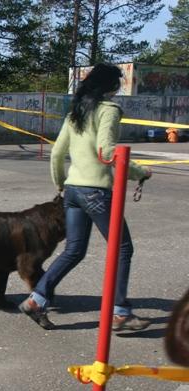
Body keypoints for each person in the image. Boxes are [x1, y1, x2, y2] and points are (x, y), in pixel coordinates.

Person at [18, 62, 152, 331]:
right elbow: (107, 151)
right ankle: (120, 312)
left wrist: (60, 185)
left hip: (73, 190)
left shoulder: (76, 112)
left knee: (74, 250)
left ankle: (36, 299)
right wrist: (138, 171)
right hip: (96, 191)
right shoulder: (109, 111)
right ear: (112, 86)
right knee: (123, 248)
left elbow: (57, 154)